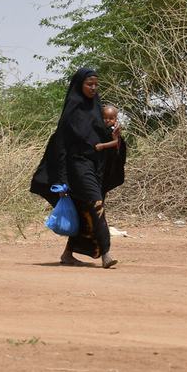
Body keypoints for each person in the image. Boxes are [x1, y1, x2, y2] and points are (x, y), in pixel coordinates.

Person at [30, 68, 123, 269]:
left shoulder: (97, 110)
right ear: (79, 85)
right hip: (76, 167)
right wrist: (62, 180)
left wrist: (115, 138)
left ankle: (67, 254)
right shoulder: (73, 110)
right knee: (96, 203)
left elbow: (103, 141)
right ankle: (106, 252)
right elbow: (61, 146)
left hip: (94, 167)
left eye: (96, 84)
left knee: (84, 210)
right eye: (89, 84)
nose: (93, 88)